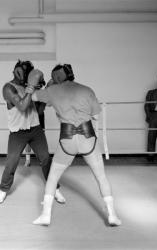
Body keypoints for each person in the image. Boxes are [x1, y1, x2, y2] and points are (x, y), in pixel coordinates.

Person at [30, 64, 121, 226]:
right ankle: (112, 214)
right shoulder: (87, 90)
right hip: (88, 138)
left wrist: (49, 86)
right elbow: (95, 116)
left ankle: (46, 215)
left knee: (52, 178)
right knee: (101, 177)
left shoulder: (52, 91)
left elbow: (32, 97)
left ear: (56, 77)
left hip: (67, 139)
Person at [0, 60, 65, 204]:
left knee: (46, 159)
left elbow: (38, 110)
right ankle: (3, 190)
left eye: (26, 73)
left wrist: (45, 92)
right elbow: (22, 106)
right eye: (21, 70)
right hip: (17, 132)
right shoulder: (8, 88)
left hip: (35, 129)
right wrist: (32, 86)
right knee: (12, 162)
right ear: (14, 70)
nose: (22, 75)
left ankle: (55, 189)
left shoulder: (29, 87)